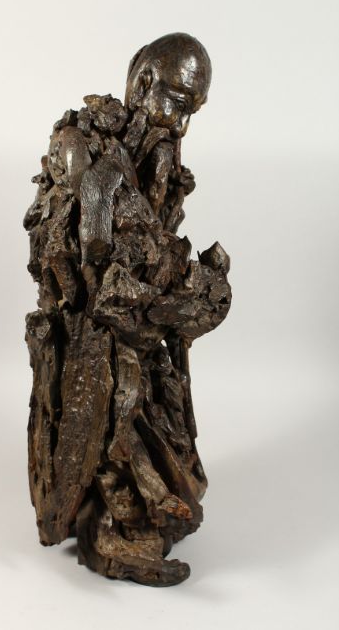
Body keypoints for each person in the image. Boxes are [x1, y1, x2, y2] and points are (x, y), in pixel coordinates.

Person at [24, 33, 231, 586]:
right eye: (178, 104)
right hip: (93, 329)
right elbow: (87, 249)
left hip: (136, 318)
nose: (182, 124)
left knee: (160, 409)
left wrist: (184, 284)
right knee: (117, 401)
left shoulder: (159, 156)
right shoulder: (82, 144)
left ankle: (148, 507)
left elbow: (155, 244)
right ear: (143, 84)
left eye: (193, 112)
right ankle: (112, 527)